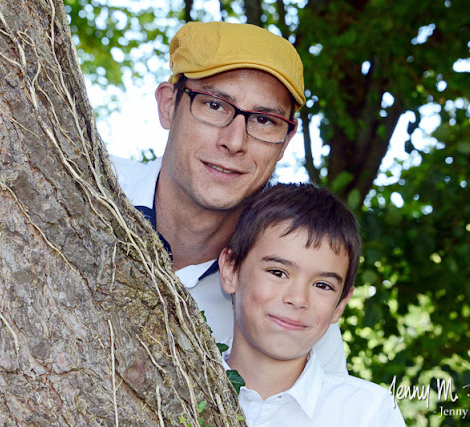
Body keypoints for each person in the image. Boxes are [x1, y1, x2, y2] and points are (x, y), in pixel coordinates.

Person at [111, 21, 346, 372]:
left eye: (265, 121)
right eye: (215, 106)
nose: (234, 141)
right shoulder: (83, 187)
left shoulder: (292, 314)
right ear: (168, 104)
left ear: (286, 141)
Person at [217, 183, 406, 426]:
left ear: (340, 305)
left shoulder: (369, 413)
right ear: (231, 270)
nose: (298, 299)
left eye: (323, 285)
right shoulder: (176, 384)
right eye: (278, 272)